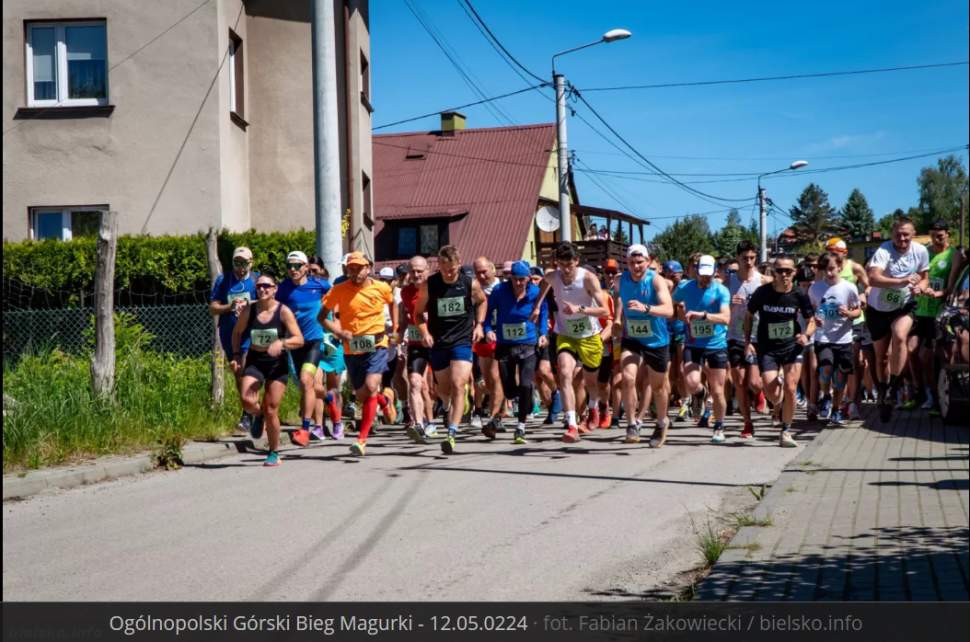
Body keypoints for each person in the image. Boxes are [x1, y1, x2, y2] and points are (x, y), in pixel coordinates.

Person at [530, 243, 611, 443]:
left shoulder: (588, 279)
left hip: (589, 336)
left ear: (576, 262)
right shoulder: (552, 276)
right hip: (565, 334)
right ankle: (572, 425)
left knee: (591, 382)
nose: (566, 270)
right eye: (562, 265)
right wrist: (538, 306)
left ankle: (593, 408)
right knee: (565, 372)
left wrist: (580, 309)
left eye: (569, 265)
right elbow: (544, 285)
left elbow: (605, 311)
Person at [320, 252, 397, 457]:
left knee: (371, 386)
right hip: (351, 348)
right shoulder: (338, 290)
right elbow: (322, 317)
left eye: (359, 268)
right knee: (364, 395)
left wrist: (395, 328)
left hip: (377, 343)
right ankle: (383, 402)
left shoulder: (381, 287)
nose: (354, 272)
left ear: (368, 268)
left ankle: (361, 440)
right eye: (351, 268)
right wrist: (338, 332)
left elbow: (392, 302)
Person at [414, 245, 487, 455]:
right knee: (443, 389)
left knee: (458, 383)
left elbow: (482, 301)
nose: (449, 274)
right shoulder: (431, 284)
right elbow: (418, 314)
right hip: (439, 341)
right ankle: (447, 405)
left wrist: (480, 324)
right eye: (445, 270)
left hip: (463, 339)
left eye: (452, 270)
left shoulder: (468, 283)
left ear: (458, 265)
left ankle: (452, 433)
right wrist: (424, 332)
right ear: (439, 266)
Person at [230, 272, 304, 467]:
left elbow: (299, 339)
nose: (262, 289)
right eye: (259, 286)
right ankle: (258, 415)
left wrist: (282, 342)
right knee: (246, 400)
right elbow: (237, 332)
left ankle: (273, 452)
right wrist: (237, 355)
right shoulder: (250, 310)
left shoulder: (283, 311)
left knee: (272, 408)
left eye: (267, 286)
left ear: (275, 289)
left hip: (277, 364)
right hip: (255, 360)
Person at [745, 254, 816, 447]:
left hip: (792, 347)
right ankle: (778, 404)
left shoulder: (799, 294)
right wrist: (747, 341)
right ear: (773, 273)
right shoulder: (762, 292)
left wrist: (806, 336)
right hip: (767, 348)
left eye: (788, 271)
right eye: (780, 271)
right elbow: (749, 315)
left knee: (791, 388)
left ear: (794, 273)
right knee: (772, 392)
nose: (784, 274)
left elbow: (811, 321)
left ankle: (786, 431)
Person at [865, 217, 930, 422]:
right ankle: (883, 391)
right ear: (892, 234)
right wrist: (901, 281)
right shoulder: (884, 250)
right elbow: (873, 278)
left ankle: (893, 388)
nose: (902, 238)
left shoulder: (920, 251)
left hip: (904, 306)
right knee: (882, 357)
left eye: (906, 234)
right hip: (878, 308)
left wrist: (921, 286)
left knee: (900, 335)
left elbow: (924, 275)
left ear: (913, 234)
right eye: (898, 234)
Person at [613, 244, 674, 447]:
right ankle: (631, 424)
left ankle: (661, 422)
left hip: (656, 341)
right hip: (633, 338)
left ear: (648, 262)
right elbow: (621, 300)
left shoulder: (656, 280)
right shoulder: (620, 280)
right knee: (628, 377)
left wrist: (646, 308)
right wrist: (618, 320)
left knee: (658, 387)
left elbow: (668, 310)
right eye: (632, 263)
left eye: (640, 262)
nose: (636, 266)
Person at [483, 260, 548, 443]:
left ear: (528, 279)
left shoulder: (535, 292)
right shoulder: (499, 291)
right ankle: (521, 401)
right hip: (505, 344)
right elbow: (488, 314)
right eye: (515, 279)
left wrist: (543, 333)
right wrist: (488, 329)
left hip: (528, 344)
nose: (518, 283)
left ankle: (521, 426)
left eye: (522, 280)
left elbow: (543, 313)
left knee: (526, 384)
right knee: (510, 389)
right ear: (510, 278)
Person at [275, 250, 331, 446]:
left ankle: (306, 429)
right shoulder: (283, 289)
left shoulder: (320, 285)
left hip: (315, 342)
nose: (293, 269)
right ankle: (330, 399)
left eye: (297, 265)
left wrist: (336, 324)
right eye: (289, 266)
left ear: (306, 267)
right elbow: (272, 308)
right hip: (295, 343)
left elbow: (336, 299)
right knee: (304, 385)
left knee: (307, 381)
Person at [673, 255, 732, 443]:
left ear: (715, 272)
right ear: (696, 271)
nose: (705, 278)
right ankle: (700, 394)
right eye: (702, 274)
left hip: (716, 344)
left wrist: (703, 315)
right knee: (690, 382)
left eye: (709, 274)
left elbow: (725, 318)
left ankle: (719, 426)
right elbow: (672, 304)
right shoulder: (686, 287)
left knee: (718, 389)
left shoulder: (721, 290)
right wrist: (680, 314)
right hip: (693, 342)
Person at [209, 246, 258, 433]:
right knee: (238, 372)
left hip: (250, 334)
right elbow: (213, 308)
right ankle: (249, 409)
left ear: (251, 263)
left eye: (244, 262)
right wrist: (230, 307)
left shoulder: (256, 281)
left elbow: (267, 302)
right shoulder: (223, 280)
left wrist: (248, 305)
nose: (240, 267)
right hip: (229, 333)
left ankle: (248, 413)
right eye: (237, 262)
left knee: (245, 369)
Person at [810, 252, 862, 426]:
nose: (829, 273)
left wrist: (848, 314)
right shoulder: (815, 288)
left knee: (840, 378)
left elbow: (858, 311)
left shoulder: (849, 287)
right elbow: (811, 310)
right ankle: (825, 396)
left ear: (840, 267)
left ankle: (836, 410)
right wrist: (815, 319)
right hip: (823, 336)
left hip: (843, 338)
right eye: (826, 269)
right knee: (825, 369)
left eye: (832, 268)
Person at [824, 237, 871, 420]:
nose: (832, 256)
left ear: (844, 253)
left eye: (835, 253)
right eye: (829, 252)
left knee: (852, 363)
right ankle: (836, 399)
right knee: (833, 364)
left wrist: (863, 295)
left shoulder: (854, 267)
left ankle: (851, 402)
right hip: (831, 324)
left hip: (854, 321)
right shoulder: (825, 268)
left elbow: (869, 286)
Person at [911, 220, 956, 410]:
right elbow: (916, 276)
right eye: (934, 234)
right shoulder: (924, 253)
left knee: (927, 356)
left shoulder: (953, 255)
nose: (937, 238)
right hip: (920, 310)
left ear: (947, 234)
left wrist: (938, 293)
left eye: (941, 234)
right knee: (910, 350)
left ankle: (935, 397)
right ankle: (919, 392)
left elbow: (953, 285)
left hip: (938, 313)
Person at [726, 241, 767, 439]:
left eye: (752, 258)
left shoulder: (763, 281)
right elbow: (717, 302)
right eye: (745, 258)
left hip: (757, 336)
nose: (749, 262)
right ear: (738, 259)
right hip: (734, 335)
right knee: (740, 381)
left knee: (755, 382)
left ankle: (759, 393)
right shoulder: (728, 281)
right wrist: (728, 302)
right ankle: (747, 423)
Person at [308, 257, 346, 440]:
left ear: (323, 271)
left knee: (333, 388)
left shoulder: (332, 292)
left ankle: (337, 422)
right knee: (315, 385)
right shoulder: (304, 293)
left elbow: (338, 319)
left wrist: (336, 334)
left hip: (333, 345)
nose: (311, 274)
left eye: (314, 271)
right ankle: (318, 426)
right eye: (308, 271)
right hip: (315, 345)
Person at [399, 255, 436, 442]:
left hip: (438, 343)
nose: (416, 274)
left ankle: (441, 413)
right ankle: (419, 425)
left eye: (420, 271)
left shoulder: (437, 288)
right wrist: (400, 332)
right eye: (412, 271)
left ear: (428, 270)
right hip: (416, 344)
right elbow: (405, 315)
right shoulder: (405, 292)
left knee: (441, 388)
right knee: (415, 383)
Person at [471, 257, 504, 433]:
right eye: (478, 272)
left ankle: (494, 417)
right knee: (485, 381)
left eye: (484, 271)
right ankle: (495, 412)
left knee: (495, 375)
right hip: (479, 338)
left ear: (492, 269)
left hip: (499, 337)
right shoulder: (474, 289)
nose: (481, 275)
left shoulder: (502, 288)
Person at [531, 265, 561, 421]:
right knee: (537, 377)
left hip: (549, 335)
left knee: (544, 371)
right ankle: (551, 409)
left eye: (537, 279)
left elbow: (550, 275)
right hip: (531, 337)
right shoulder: (526, 294)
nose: (533, 282)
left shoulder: (550, 293)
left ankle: (557, 393)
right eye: (531, 280)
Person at [663, 260, 691, 423]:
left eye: (676, 274)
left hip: (682, 331)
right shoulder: (663, 287)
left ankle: (685, 404)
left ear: (681, 274)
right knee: (669, 373)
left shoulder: (686, 287)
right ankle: (664, 406)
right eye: (669, 274)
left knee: (682, 370)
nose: (673, 277)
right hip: (666, 331)